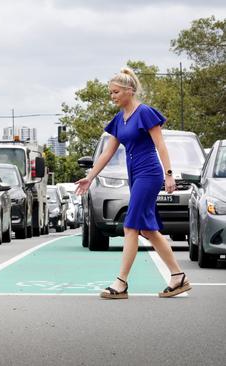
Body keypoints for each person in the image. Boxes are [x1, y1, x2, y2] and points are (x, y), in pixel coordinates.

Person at [75, 67, 191, 299]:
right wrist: (90, 177)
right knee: (147, 229)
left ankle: (121, 283)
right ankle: (178, 277)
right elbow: (107, 153)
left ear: (129, 91)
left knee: (130, 226)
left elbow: (161, 145)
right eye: (110, 93)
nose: (112, 96)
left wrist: (169, 174)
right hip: (135, 174)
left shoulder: (145, 112)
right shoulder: (119, 119)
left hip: (149, 173)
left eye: (116, 92)